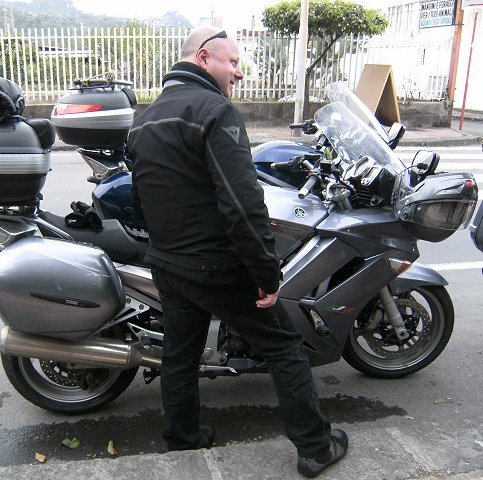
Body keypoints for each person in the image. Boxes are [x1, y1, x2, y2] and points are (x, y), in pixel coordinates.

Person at [127, 26, 348, 477]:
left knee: (180, 355)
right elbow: (243, 203)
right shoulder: (215, 109)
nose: (239, 72)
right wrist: (266, 273)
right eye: (232, 62)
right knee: (284, 346)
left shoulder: (145, 118)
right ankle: (316, 447)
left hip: (168, 263)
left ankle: (182, 437)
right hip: (216, 266)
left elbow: (140, 198)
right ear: (203, 57)